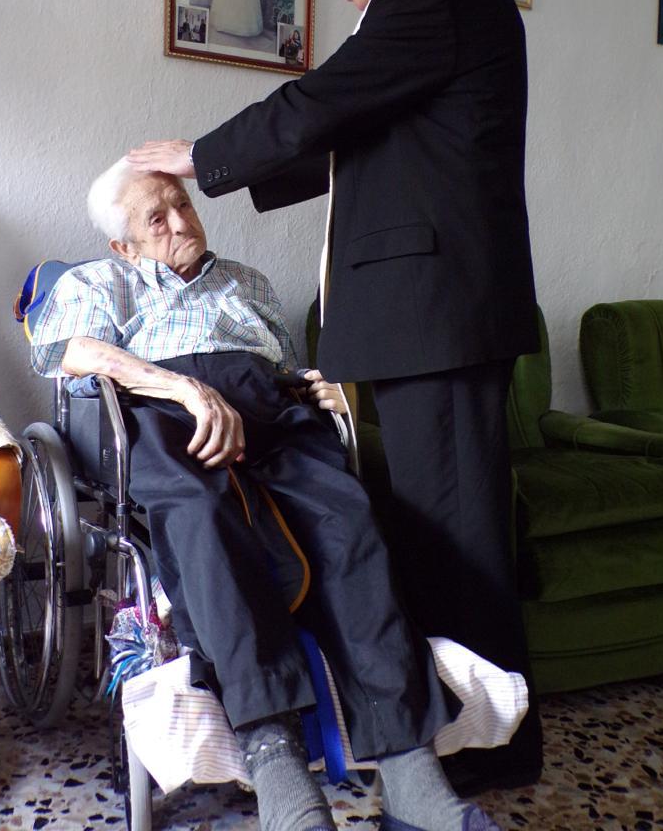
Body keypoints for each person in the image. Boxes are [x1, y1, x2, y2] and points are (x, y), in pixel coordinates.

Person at [127, 0, 542, 797]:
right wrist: (240, 173)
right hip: (425, 318)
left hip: (438, 316)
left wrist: (204, 156)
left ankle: (492, 752)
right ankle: (451, 743)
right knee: (433, 532)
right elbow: (349, 139)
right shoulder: (432, 4)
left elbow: (327, 101)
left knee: (461, 537)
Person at [31, 160, 506, 831]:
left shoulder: (247, 283)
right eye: (155, 218)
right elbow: (71, 352)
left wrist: (321, 384)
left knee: (349, 519)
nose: (178, 222)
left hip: (270, 413)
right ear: (124, 245)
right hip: (164, 411)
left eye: (183, 206)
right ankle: (273, 753)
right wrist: (187, 392)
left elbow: (281, 367)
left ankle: (408, 764)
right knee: (201, 519)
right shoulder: (99, 281)